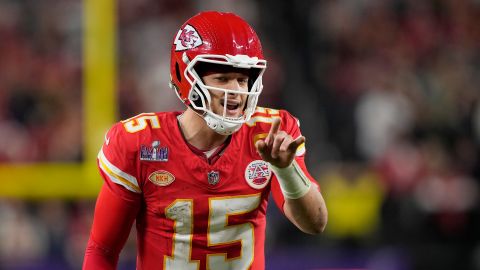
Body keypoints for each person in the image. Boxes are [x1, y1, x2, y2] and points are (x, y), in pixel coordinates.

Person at [83, 11, 328, 270]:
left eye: (242, 80)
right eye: (222, 79)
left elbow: (315, 223)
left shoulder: (269, 133)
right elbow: (102, 249)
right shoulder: (140, 144)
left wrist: (285, 169)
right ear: (187, 79)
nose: (235, 91)